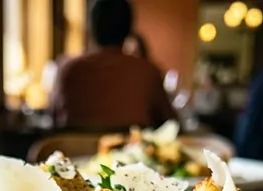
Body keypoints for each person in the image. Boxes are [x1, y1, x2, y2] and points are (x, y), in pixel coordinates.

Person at [50, 0, 175, 129]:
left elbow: (54, 119)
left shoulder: (68, 70)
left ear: (91, 28)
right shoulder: (148, 72)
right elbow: (170, 124)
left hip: (73, 143)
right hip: (132, 142)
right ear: (129, 30)